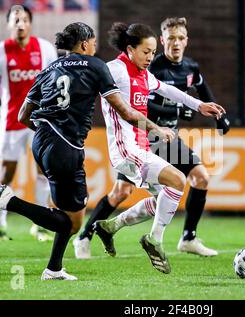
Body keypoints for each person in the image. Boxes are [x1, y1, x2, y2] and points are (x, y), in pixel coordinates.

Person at [0, 22, 175, 280]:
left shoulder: (48, 69)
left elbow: (24, 115)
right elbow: (124, 111)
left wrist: (48, 135)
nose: (95, 46)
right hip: (66, 147)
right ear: (84, 44)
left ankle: (54, 268)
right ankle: (8, 201)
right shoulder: (95, 66)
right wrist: (156, 129)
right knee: (73, 222)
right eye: (92, 42)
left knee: (66, 212)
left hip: (41, 141)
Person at [73, 22, 225, 273]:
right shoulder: (115, 70)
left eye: (153, 53)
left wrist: (200, 106)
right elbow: (97, 91)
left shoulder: (144, 74)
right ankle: (155, 240)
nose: (150, 57)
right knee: (177, 181)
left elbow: (168, 90)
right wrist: (156, 128)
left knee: (162, 199)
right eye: (146, 52)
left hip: (142, 146)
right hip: (126, 148)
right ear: (130, 49)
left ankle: (110, 226)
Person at [0, 5, 57, 242]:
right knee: (6, 173)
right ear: (8, 24)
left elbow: (53, 86)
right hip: (11, 123)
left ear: (31, 23)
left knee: (43, 171)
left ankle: (40, 225)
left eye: (24, 20)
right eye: (16, 20)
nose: (20, 24)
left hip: (39, 123)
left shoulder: (45, 49)